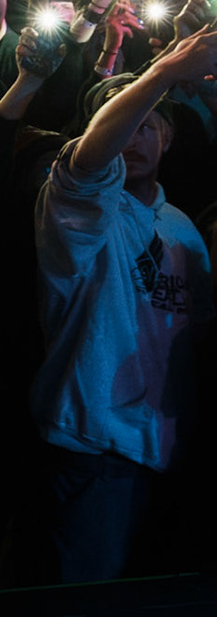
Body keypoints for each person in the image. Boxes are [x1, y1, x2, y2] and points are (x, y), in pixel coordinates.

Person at [31, 32, 217, 582]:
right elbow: (88, 165)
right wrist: (161, 75)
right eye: (123, 124)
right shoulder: (77, 205)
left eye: (149, 126)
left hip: (170, 446)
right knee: (93, 610)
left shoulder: (182, 226)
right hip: (97, 447)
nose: (133, 138)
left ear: (168, 138)